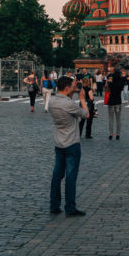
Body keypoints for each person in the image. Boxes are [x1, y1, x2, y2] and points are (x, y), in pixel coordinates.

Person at [48, 75, 89, 216]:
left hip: (59, 142)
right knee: (71, 176)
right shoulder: (69, 104)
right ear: (67, 88)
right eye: (72, 86)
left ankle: (54, 204)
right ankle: (70, 207)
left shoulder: (52, 101)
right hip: (71, 142)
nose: (74, 88)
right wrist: (82, 99)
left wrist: (72, 95)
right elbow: (85, 114)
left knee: (57, 175)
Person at [106, 68, 127, 140]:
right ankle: (118, 134)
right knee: (118, 119)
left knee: (111, 119)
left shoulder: (111, 82)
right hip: (118, 102)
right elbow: (125, 80)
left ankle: (111, 133)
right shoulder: (121, 83)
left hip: (111, 102)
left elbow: (107, 86)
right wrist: (123, 76)